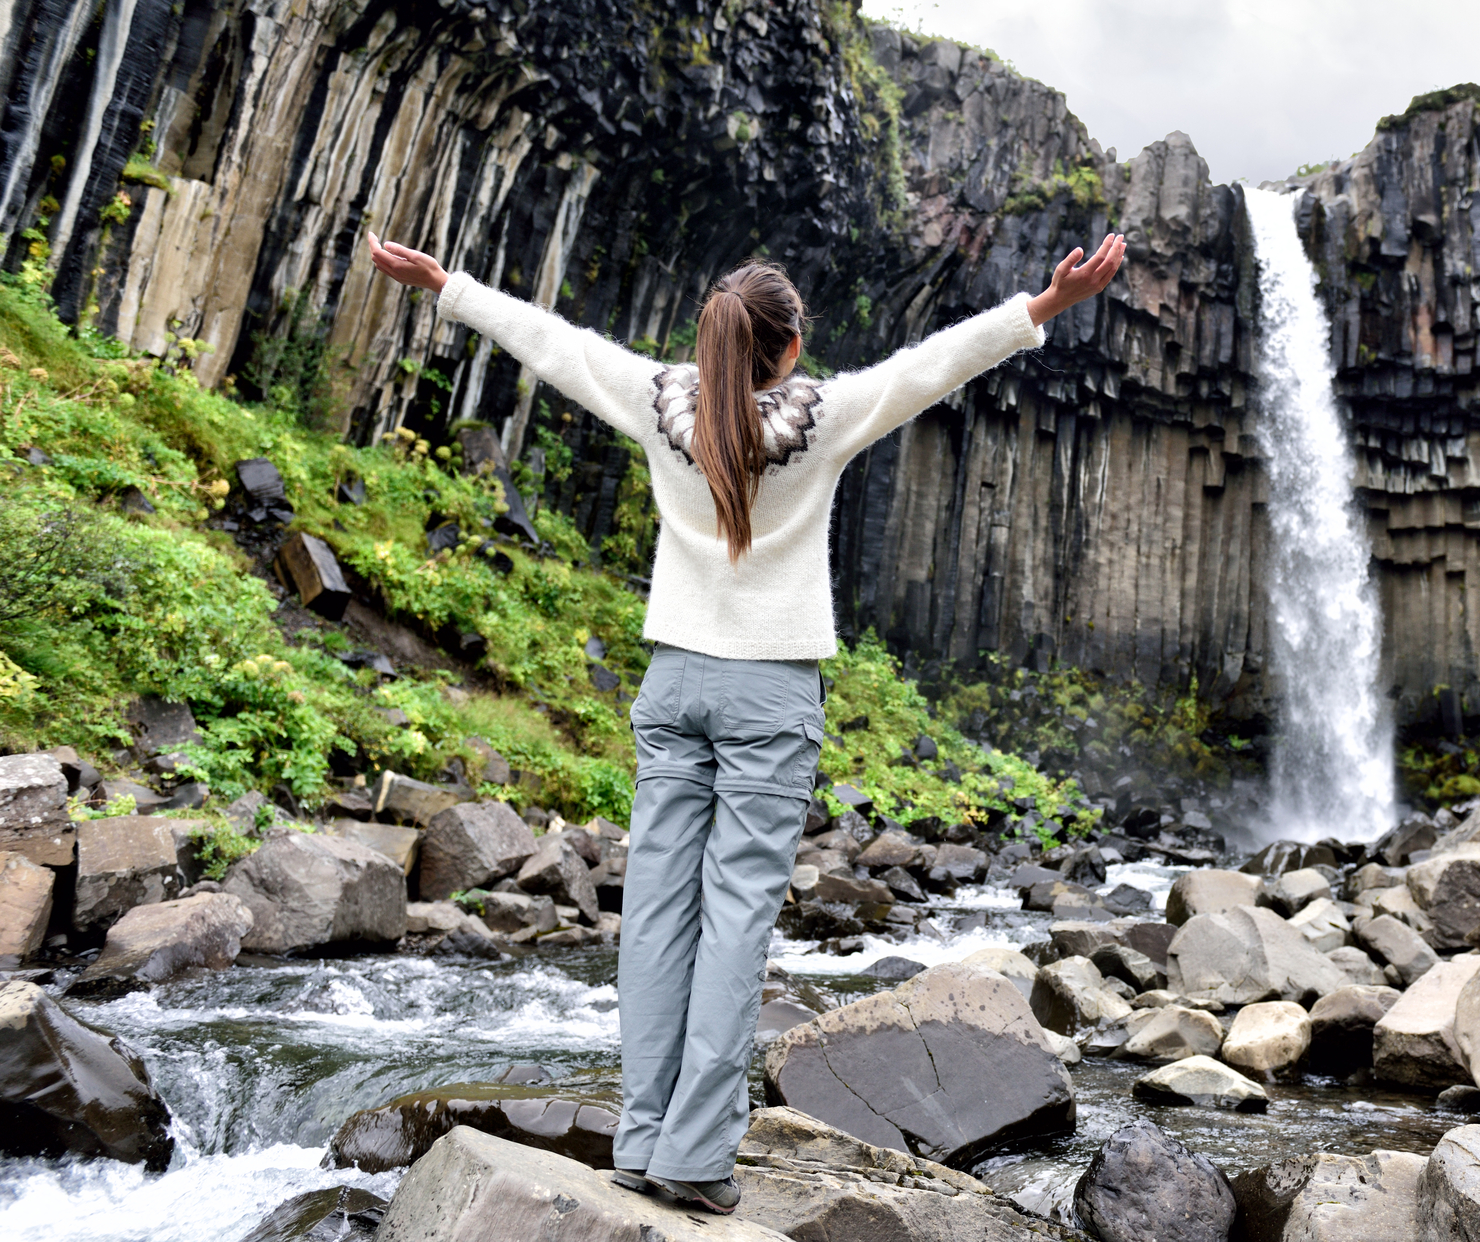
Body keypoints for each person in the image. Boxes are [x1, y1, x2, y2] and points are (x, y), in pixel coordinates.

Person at [366, 228, 1126, 1213]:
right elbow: (932, 364)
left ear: (711, 338)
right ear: (790, 347)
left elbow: (553, 344)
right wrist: (1043, 308)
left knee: (655, 917)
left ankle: (640, 1141)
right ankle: (691, 1155)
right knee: (732, 926)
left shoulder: (655, 401)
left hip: (675, 684)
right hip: (770, 693)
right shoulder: (829, 416)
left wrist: (449, 286)